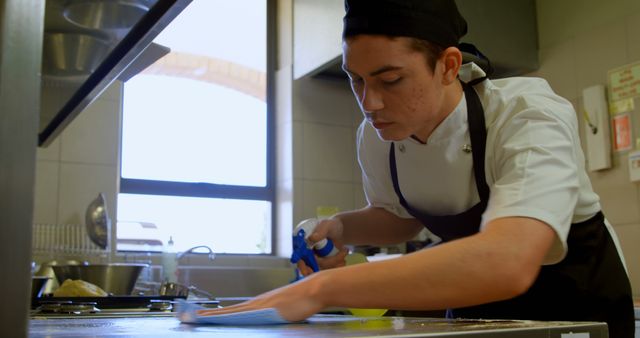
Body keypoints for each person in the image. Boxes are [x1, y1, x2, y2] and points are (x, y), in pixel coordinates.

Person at [202, 0, 635, 336]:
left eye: (390, 80)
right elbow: (400, 218)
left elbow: (510, 259)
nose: (369, 103)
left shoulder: (526, 114)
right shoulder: (378, 136)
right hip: (475, 314)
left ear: (448, 66)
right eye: (357, 80)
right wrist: (339, 228)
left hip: (577, 311)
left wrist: (319, 291)